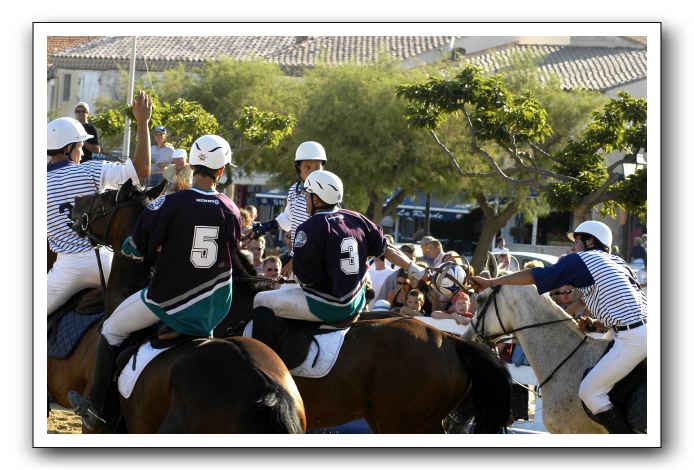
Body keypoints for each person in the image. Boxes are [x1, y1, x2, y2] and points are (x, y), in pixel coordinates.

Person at [68, 134, 242, 432]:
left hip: (169, 300)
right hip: (214, 309)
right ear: (222, 170)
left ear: (192, 165)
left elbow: (133, 249)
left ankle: (94, 405)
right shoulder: (233, 210)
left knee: (111, 329)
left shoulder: (167, 204)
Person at [469, 220, 646, 433]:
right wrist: (596, 324)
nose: (573, 247)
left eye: (577, 241)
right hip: (642, 330)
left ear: (590, 241)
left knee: (590, 392)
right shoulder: (617, 262)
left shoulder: (583, 259)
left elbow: (535, 275)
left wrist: (492, 282)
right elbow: (627, 310)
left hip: (634, 338)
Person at [252, 170, 425, 324]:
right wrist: (416, 270)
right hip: (356, 301)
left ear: (316, 199)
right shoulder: (357, 218)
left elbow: (308, 279)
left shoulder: (308, 227)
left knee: (261, 299)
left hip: (326, 306)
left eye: (307, 194)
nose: (305, 198)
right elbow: (386, 248)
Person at [47, 91, 152, 315]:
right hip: (105, 263)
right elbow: (141, 171)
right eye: (80, 146)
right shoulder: (91, 170)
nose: (82, 150)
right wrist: (143, 122)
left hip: (67, 270)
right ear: (67, 148)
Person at [250, 141, 327, 278]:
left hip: (315, 262)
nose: (313, 172)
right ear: (298, 168)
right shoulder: (294, 190)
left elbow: (318, 233)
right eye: (307, 167)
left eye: (317, 167)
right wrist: (262, 228)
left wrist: (297, 259)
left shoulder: (325, 195)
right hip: (296, 258)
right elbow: (287, 220)